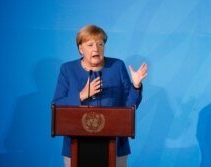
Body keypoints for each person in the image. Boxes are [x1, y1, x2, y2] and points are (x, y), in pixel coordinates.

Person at [52, 25, 148, 167]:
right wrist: (82, 95)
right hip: (75, 146)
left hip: (115, 147)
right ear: (80, 49)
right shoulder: (67, 69)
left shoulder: (117, 66)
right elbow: (57, 107)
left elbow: (129, 108)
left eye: (100, 44)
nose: (96, 49)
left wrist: (136, 86)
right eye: (90, 45)